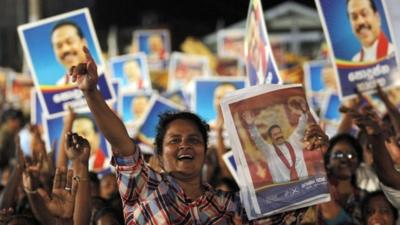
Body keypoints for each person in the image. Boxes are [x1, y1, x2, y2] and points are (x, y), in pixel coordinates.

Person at [68, 46, 328, 224]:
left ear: (205, 150)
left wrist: (314, 154)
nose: (185, 145)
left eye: (194, 140)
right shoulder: (143, 188)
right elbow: (121, 142)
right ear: (158, 153)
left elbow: (287, 210)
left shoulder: (229, 206)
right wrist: (91, 92)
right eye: (174, 140)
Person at [242, 106, 309, 183]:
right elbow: (258, 139)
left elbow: (301, 127)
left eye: (280, 132)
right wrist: (251, 126)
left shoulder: (294, 141)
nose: (279, 135)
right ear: (271, 138)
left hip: (305, 186)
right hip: (285, 191)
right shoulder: (269, 151)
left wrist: (304, 113)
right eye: (275, 134)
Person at [51, 21, 88, 85]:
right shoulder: (58, 87)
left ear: (84, 42)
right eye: (59, 46)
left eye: (70, 42)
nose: (65, 49)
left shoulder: (105, 73)